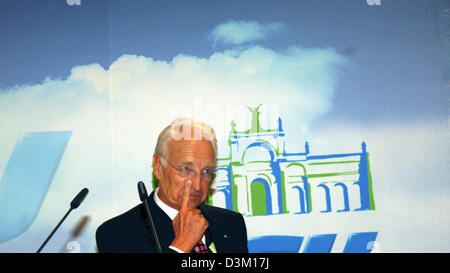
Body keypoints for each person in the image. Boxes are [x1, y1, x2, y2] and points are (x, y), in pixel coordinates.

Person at [95, 118, 248, 253]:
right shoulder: (116, 233)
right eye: (186, 169)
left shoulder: (231, 223)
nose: (197, 185)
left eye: (206, 171)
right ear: (158, 167)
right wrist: (181, 246)